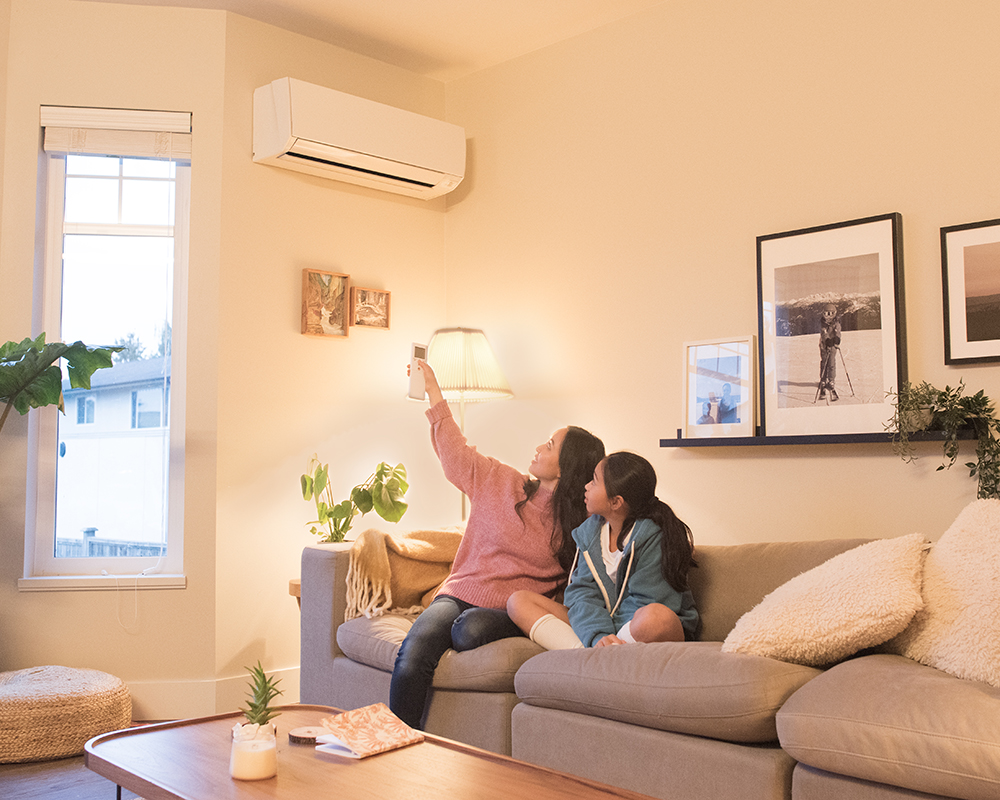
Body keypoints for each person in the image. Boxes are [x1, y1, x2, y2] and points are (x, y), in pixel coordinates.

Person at [389, 360, 605, 728]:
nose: (539, 447)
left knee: (468, 630)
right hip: (461, 592)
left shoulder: (582, 525)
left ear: (566, 467)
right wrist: (434, 391)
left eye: (550, 445)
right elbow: (455, 454)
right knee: (413, 653)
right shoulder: (501, 481)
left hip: (510, 608)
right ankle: (394, 742)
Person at [507, 451, 698, 649]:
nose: (587, 486)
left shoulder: (654, 536)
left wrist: (609, 634)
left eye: (594, 481)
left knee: (658, 617)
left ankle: (599, 655)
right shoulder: (589, 533)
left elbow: (648, 601)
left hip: (635, 628)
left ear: (615, 502)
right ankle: (591, 655)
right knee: (518, 601)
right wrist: (598, 635)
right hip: (601, 629)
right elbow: (582, 594)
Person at [818, 303, 841, 401]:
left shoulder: (837, 324)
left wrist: (837, 339)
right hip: (824, 346)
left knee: (831, 363)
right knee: (824, 363)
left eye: (831, 314)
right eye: (827, 314)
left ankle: (831, 380)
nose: (829, 316)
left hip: (833, 348)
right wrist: (827, 340)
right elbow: (824, 333)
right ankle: (823, 380)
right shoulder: (822, 323)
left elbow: (838, 332)